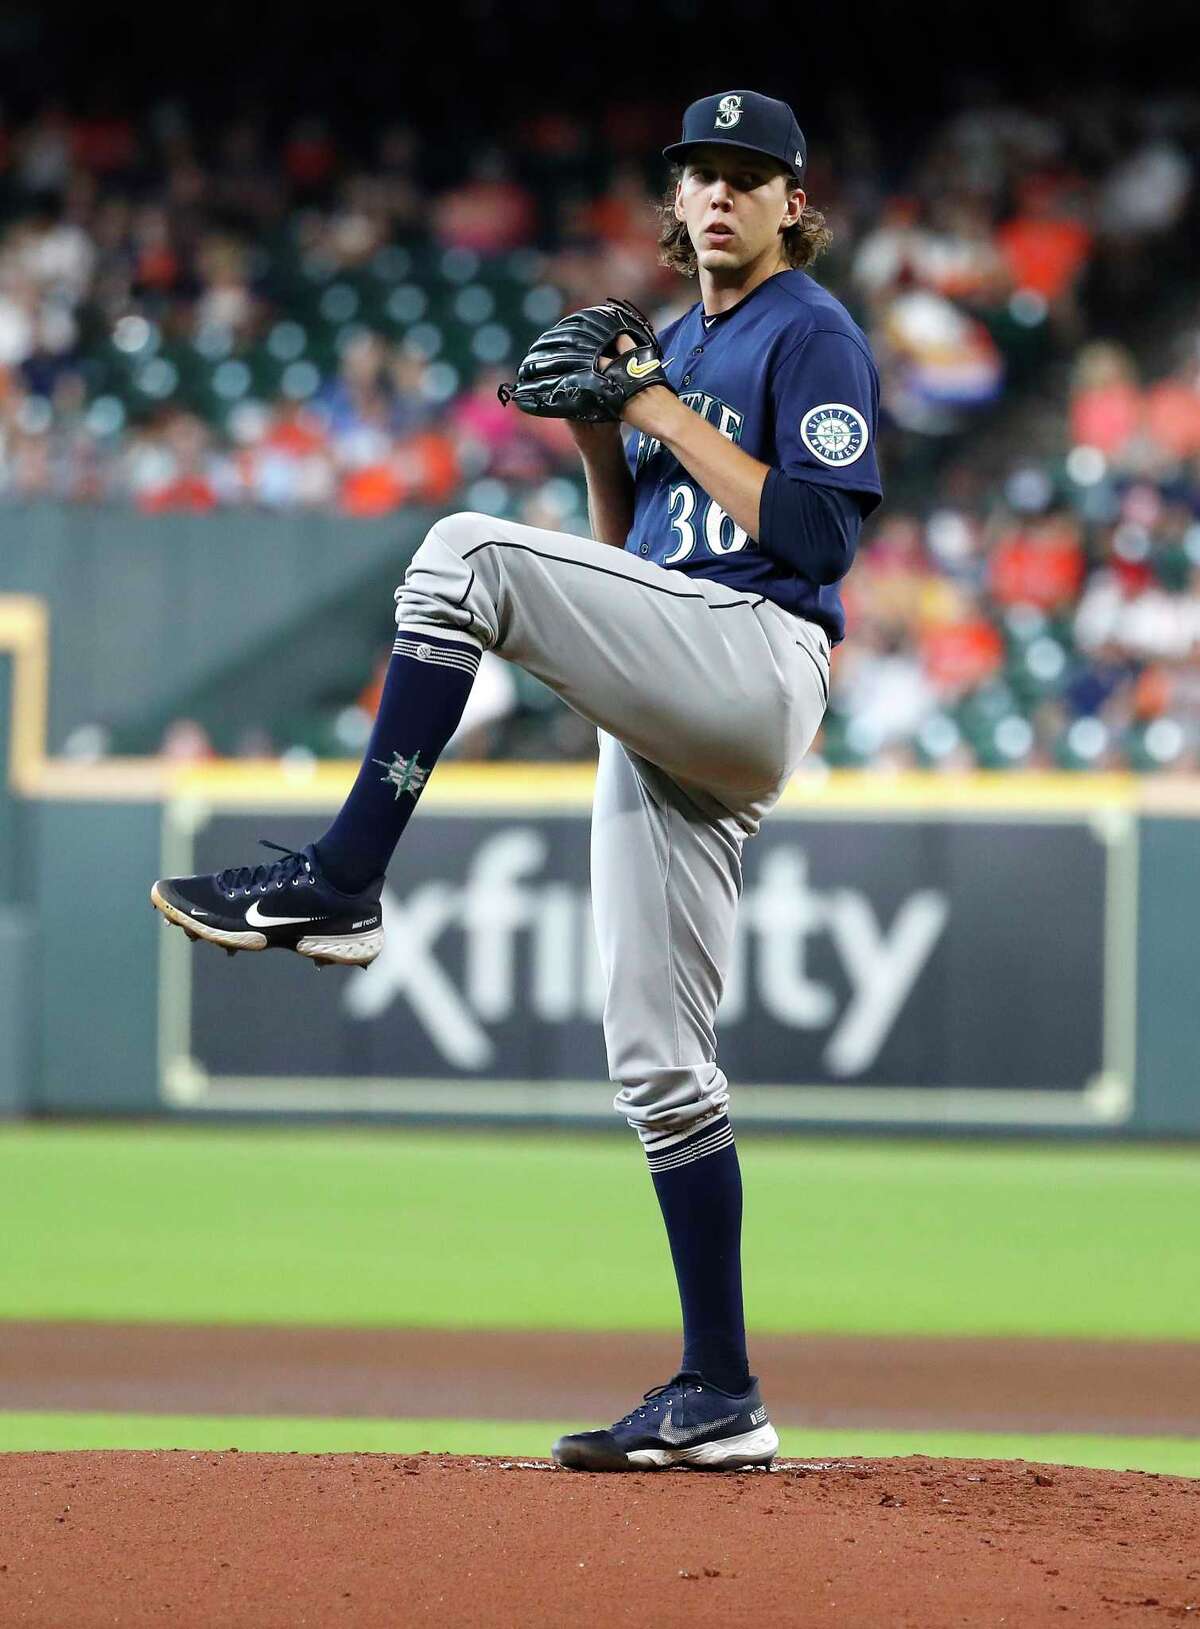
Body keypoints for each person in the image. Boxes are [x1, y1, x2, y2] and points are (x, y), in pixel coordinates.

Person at [151, 90, 882, 1472]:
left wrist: (653, 394)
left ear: (797, 203)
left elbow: (813, 534)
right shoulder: (684, 339)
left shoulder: (811, 330)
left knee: (462, 555)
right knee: (662, 1069)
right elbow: (638, 556)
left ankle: (343, 877)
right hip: (682, 676)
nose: (719, 197)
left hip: (761, 656)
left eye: (748, 177)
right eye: (698, 176)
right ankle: (721, 1391)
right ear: (673, 205)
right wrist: (607, 438)